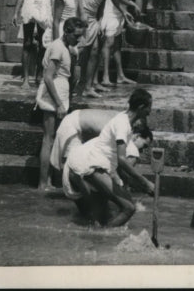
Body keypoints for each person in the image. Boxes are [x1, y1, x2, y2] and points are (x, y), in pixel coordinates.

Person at [65, 88, 155, 226]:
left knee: (99, 217)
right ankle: (104, 237)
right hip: (94, 166)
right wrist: (145, 182)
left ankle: (98, 237)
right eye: (149, 108)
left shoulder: (125, 121)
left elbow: (120, 167)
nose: (150, 112)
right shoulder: (123, 124)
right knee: (129, 208)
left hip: (96, 166)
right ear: (141, 107)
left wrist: (140, 186)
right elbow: (122, 160)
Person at [35, 17, 85, 191]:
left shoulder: (67, 47)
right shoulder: (57, 47)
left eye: (80, 36)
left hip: (60, 93)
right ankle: (42, 183)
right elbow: (48, 77)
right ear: (67, 32)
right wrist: (59, 104)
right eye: (76, 36)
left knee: (55, 138)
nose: (78, 39)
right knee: (48, 138)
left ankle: (49, 180)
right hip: (53, 95)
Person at [12, 0, 58, 87]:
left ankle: (39, 76)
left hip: (44, 5)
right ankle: (26, 79)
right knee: (27, 43)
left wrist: (56, 9)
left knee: (44, 43)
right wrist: (16, 12)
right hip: (29, 4)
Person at [98, 0, 140, 88]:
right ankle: (105, 76)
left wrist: (124, 12)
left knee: (117, 45)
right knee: (108, 44)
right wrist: (131, 3)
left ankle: (120, 76)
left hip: (118, 13)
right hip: (111, 13)